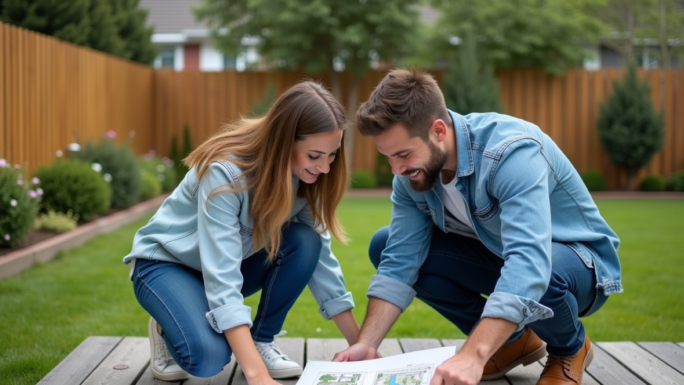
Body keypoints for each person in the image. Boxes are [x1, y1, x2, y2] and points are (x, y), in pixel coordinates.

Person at [333, 69, 622, 385]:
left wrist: (473, 355)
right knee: (384, 242)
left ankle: (569, 348)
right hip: (504, 257)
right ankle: (514, 342)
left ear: (438, 130)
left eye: (403, 154)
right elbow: (400, 260)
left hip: (580, 266)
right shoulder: (411, 177)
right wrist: (367, 343)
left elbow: (529, 262)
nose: (397, 169)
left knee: (544, 269)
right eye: (388, 158)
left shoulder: (511, 153)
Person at [124, 81, 360, 383]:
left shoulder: (302, 179)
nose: (326, 168)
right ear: (284, 141)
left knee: (306, 241)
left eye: (332, 155)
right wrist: (257, 376)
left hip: (223, 268)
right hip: (166, 266)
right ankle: (164, 324)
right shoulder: (225, 173)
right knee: (208, 359)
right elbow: (222, 277)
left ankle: (261, 341)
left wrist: (361, 345)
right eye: (314, 156)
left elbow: (322, 263)